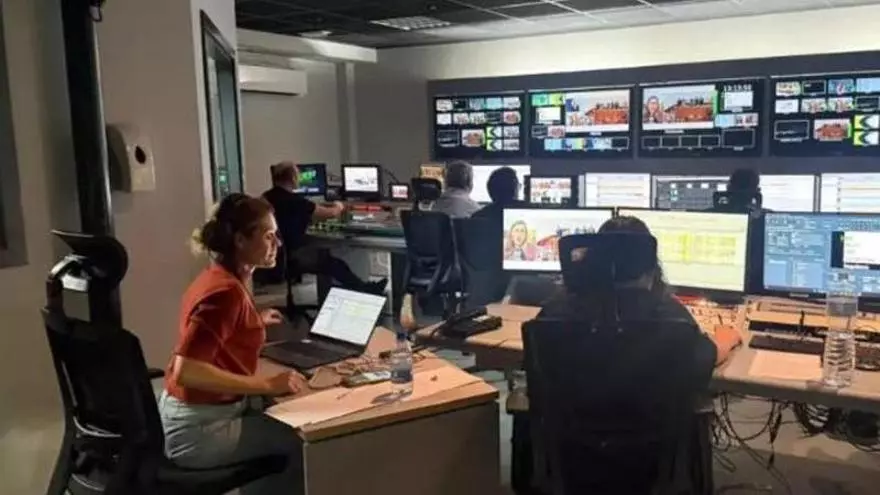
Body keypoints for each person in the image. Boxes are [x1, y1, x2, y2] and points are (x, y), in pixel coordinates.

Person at [537, 216, 742, 493]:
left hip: (573, 461)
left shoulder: (555, 312)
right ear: (650, 268)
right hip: (649, 465)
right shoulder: (670, 318)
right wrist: (726, 339)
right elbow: (703, 359)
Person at [158, 193, 307, 495]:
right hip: (198, 432)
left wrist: (252, 321)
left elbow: (216, 329)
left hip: (190, 416)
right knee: (303, 440)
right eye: (268, 236)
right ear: (240, 240)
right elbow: (187, 370)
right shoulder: (225, 294)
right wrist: (267, 385)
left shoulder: (218, 277)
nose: (277, 243)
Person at [262, 162, 386, 294]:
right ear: (293, 178)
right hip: (293, 256)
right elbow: (330, 213)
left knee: (324, 256)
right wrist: (338, 206)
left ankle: (355, 290)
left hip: (274, 254)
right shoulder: (296, 201)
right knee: (334, 264)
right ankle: (366, 289)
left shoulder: (264, 198)